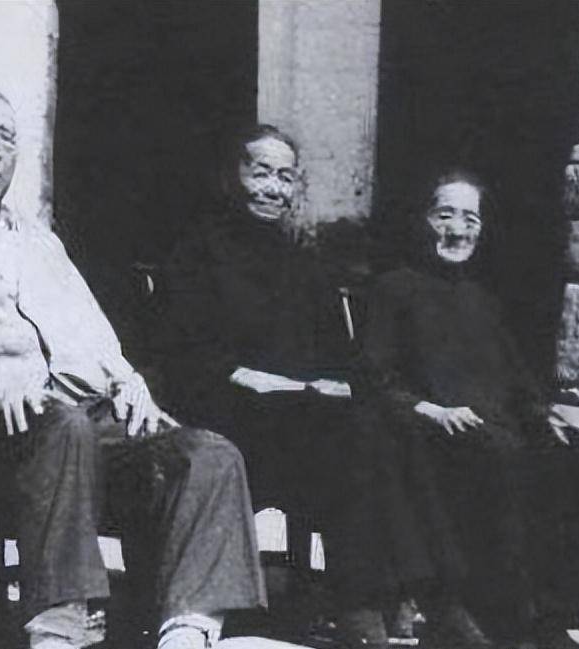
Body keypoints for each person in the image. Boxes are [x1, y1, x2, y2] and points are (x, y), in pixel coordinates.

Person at [0, 85, 266, 649]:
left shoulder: (42, 243)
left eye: (7, 138)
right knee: (63, 425)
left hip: (76, 429)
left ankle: (189, 627)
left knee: (208, 454)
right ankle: (60, 626)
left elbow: (99, 344)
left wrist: (130, 383)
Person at [354, 170, 579, 649]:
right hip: (434, 434)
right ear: (423, 219)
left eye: (470, 219)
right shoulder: (393, 289)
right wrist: (432, 411)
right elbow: (373, 381)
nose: (457, 230)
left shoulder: (482, 299)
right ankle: (510, 621)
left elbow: (518, 381)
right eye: (445, 215)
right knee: (500, 457)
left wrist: (543, 417)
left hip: (504, 431)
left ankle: (558, 616)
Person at [157, 125, 404, 645]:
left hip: (304, 415)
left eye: (285, 177)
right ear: (232, 177)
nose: (273, 188)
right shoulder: (195, 254)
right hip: (229, 414)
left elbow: (345, 356)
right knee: (335, 432)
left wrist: (339, 385)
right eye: (261, 173)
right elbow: (181, 356)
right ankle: (356, 602)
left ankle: (362, 601)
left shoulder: (306, 263)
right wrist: (244, 376)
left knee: (370, 424)